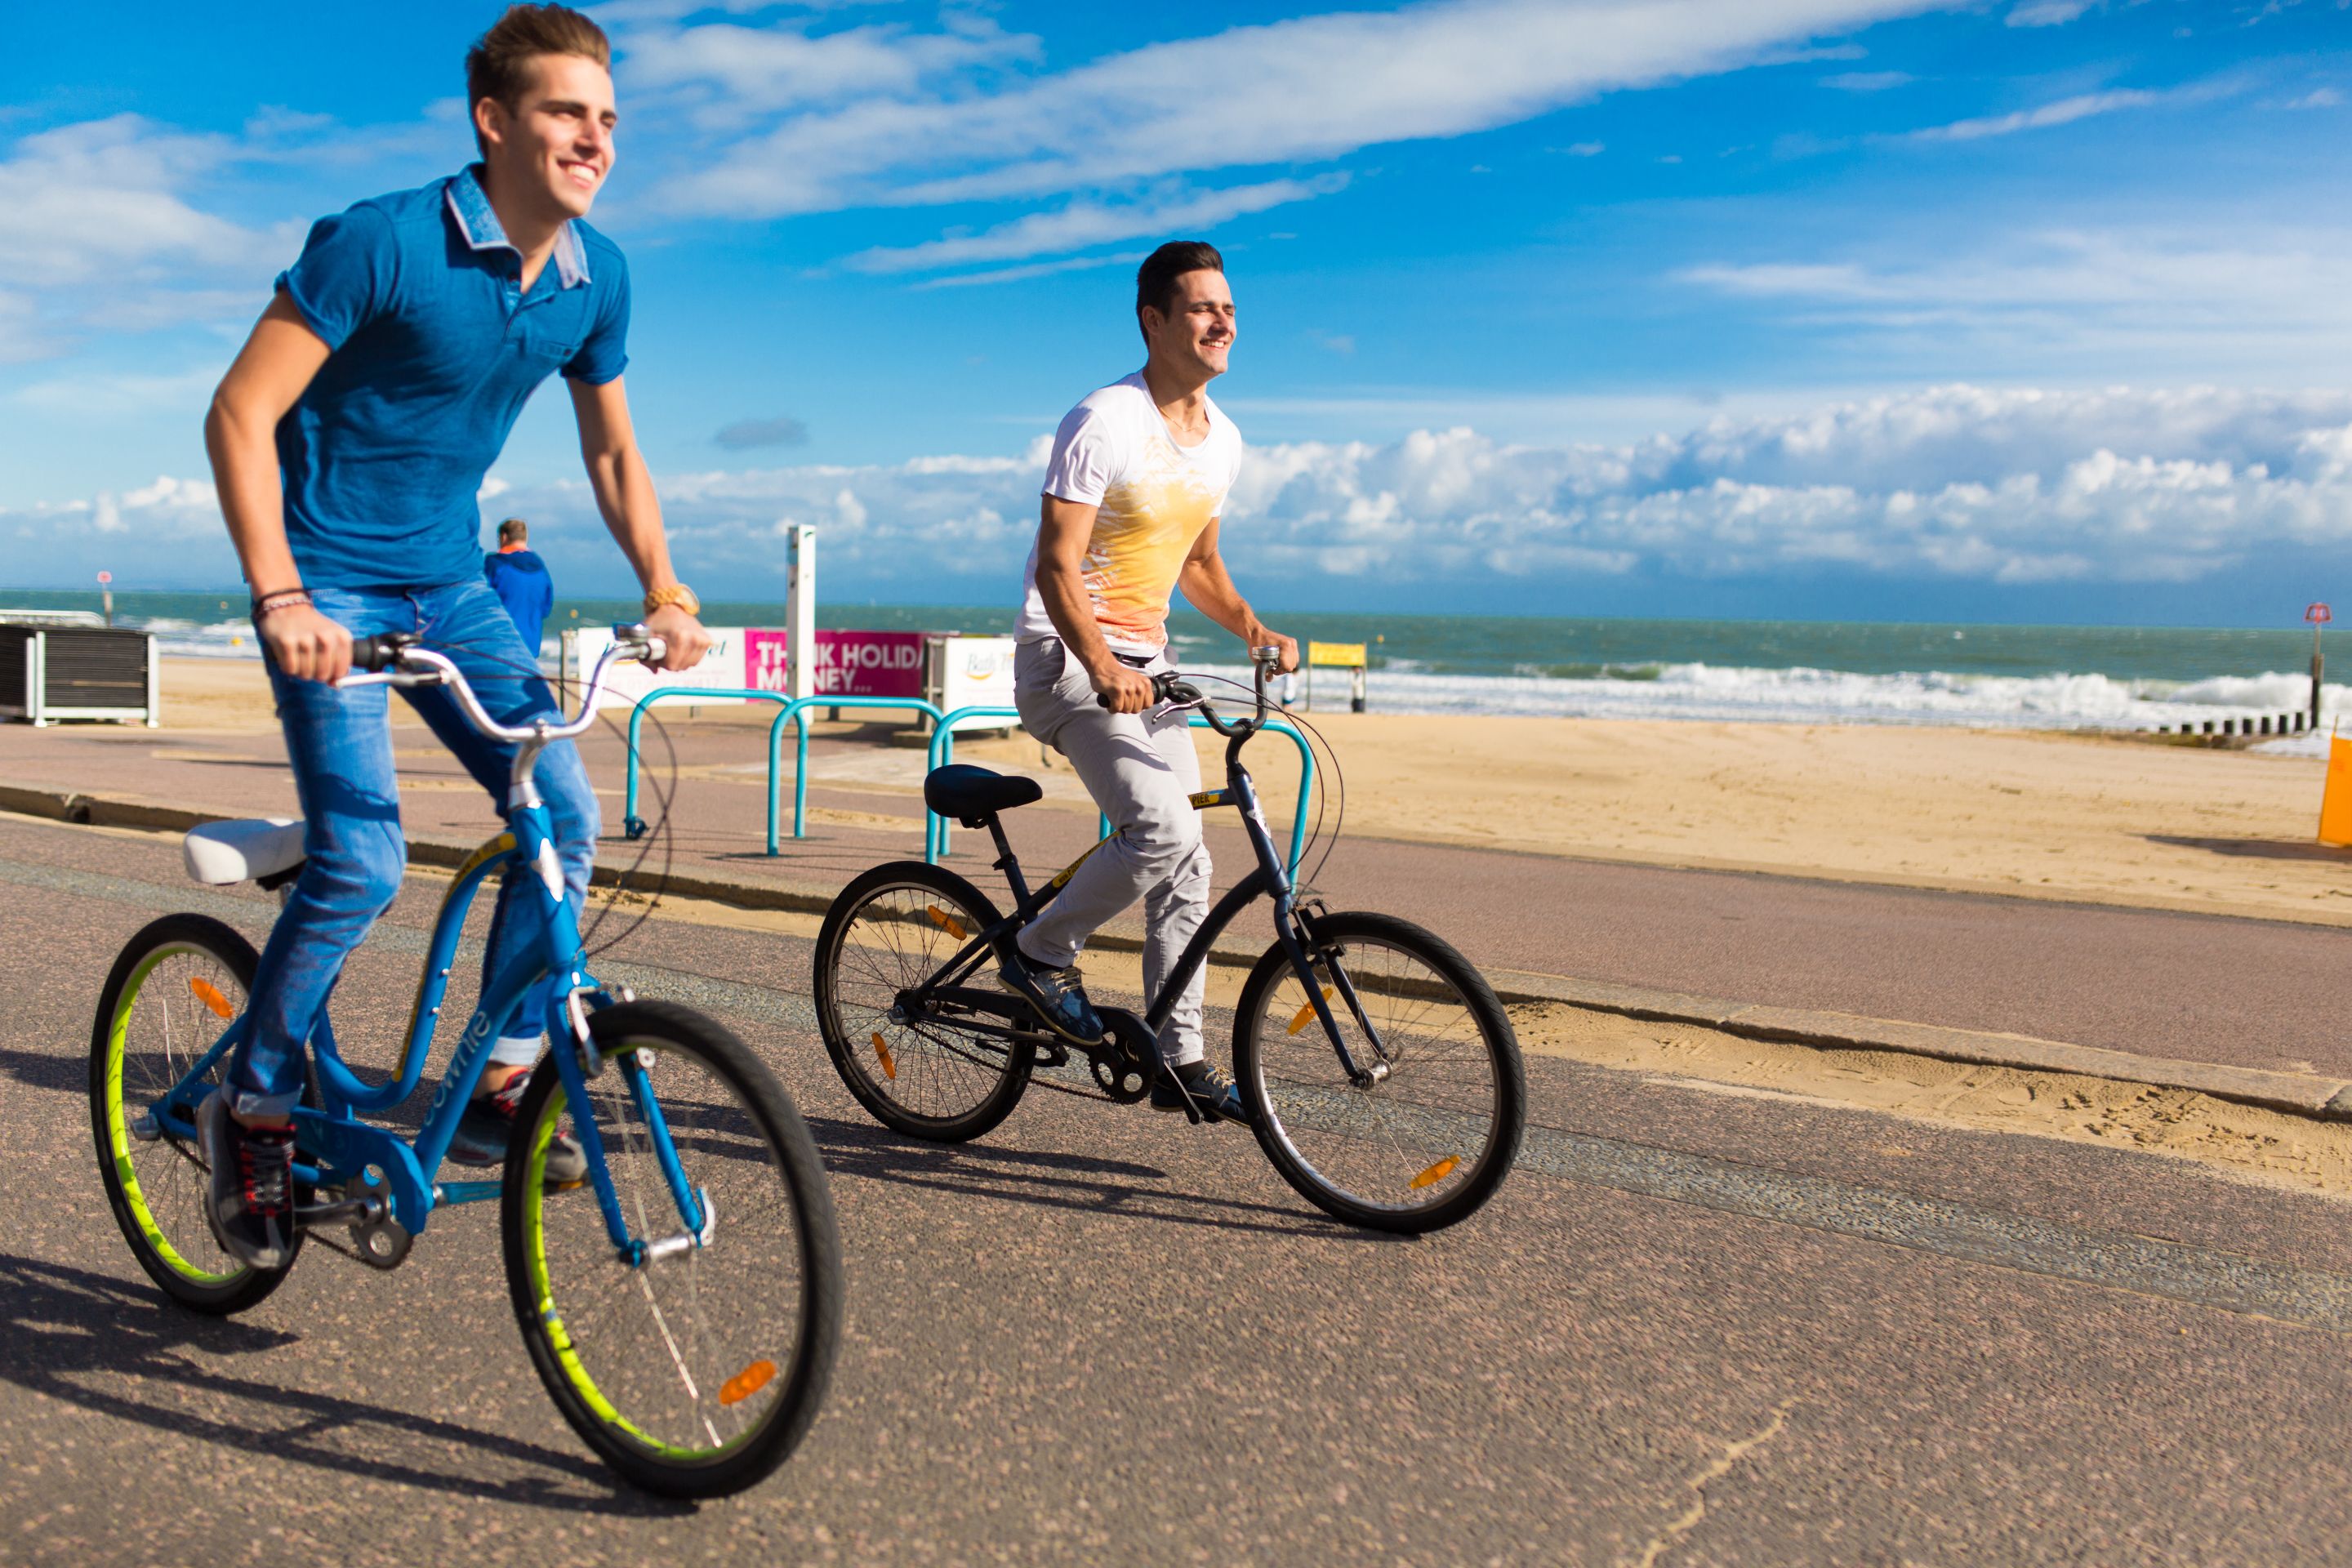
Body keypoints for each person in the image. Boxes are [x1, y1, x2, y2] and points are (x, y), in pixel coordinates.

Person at [197, 3, 710, 1267]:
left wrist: (668, 586)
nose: (592, 138)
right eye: (563, 113)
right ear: (494, 121)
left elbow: (613, 447)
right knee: (368, 861)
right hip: (329, 585)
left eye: (605, 118)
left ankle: (501, 1075)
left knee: (571, 821)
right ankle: (251, 1102)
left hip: (449, 582)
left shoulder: (598, 274)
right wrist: (282, 601)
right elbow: (239, 413)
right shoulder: (382, 240)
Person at [1007, 240, 1298, 1124]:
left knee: (1190, 862)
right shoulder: (1105, 420)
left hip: (1150, 668)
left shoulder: (1226, 442)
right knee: (1162, 825)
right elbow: (1060, 569)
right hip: (1068, 660)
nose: (1223, 324)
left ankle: (1182, 1060)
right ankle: (1039, 953)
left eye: (1231, 310)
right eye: (1205, 309)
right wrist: (1101, 666)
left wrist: (1251, 626)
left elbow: (1198, 561)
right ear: (1155, 321)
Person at [484, 515, 555, 658]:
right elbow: (546, 608)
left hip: (499, 643)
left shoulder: (495, 564)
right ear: (525, 538)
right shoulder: (541, 569)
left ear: (503, 537)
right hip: (531, 645)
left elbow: (481, 602)